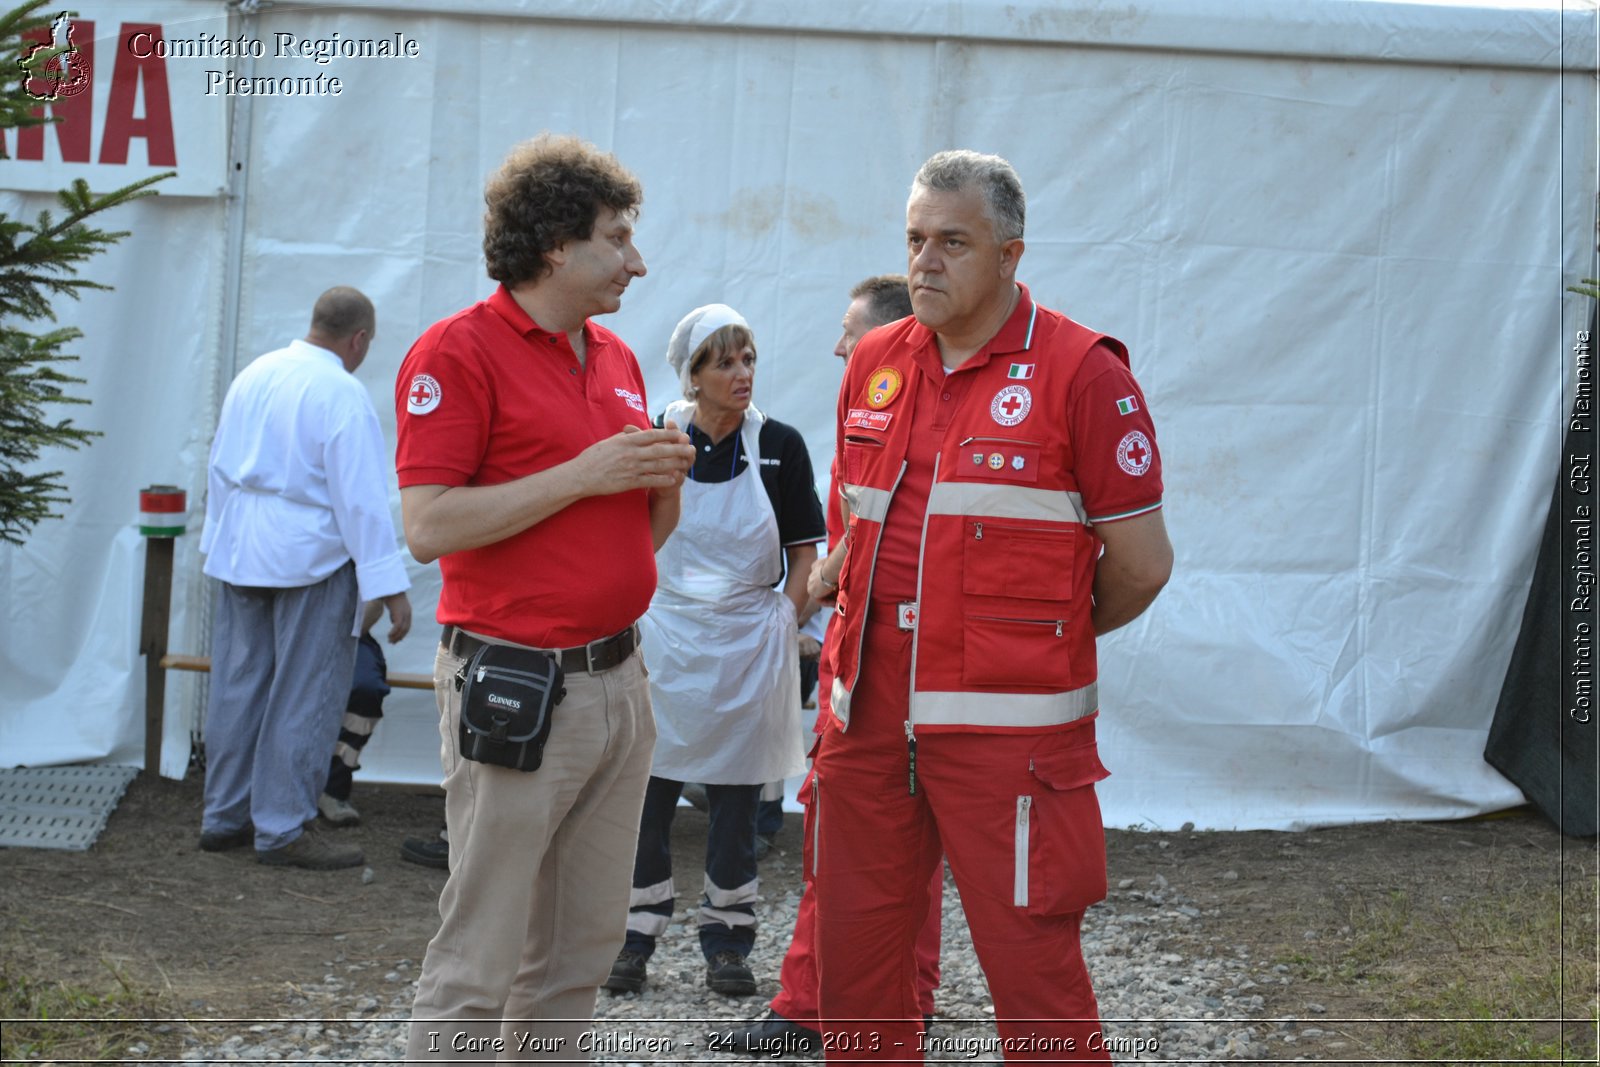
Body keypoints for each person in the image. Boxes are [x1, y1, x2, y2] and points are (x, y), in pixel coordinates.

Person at [807, 150, 1173, 1063]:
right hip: (867, 719)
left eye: (953, 242)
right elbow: (853, 524)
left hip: (1010, 740)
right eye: (915, 240)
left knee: (1035, 977)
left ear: (1011, 255)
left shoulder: (1084, 374)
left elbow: (1141, 564)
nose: (924, 263)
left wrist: (1039, 640)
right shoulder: (877, 363)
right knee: (855, 973)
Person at [394, 134, 694, 1061]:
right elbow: (429, 526)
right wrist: (586, 471)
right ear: (556, 245)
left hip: (618, 680)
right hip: (517, 684)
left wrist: (660, 484)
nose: (637, 262)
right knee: (481, 954)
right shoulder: (458, 351)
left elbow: (625, 535)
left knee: (580, 948)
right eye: (617, 239)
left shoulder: (615, 355)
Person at [729, 275, 945, 1056]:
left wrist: (808, 593)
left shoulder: (891, 412)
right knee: (892, 845)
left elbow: (869, 531)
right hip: (878, 659)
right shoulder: (893, 407)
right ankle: (891, 995)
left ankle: (815, 1006)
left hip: (873, 667)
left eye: (851, 332)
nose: (838, 347)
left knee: (851, 847)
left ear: (892, 335)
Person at [604, 304, 825, 998]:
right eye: (726, 362)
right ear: (692, 375)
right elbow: (624, 537)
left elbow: (805, 553)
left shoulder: (778, 446)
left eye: (749, 358)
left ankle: (728, 940)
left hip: (747, 641)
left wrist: (785, 621)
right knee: (647, 791)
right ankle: (633, 936)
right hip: (667, 634)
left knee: (737, 798)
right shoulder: (657, 440)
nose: (742, 373)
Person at [197, 286, 412, 871]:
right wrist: (388, 585)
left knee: (238, 686)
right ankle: (283, 826)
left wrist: (215, 543)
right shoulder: (341, 392)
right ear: (359, 339)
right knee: (306, 692)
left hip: (241, 546)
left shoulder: (255, 374)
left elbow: (218, 466)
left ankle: (225, 815)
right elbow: (361, 499)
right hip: (309, 556)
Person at [317, 600, 396, 827]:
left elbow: (375, 601)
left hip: (351, 635)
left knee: (367, 689)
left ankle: (333, 789)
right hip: (293, 632)